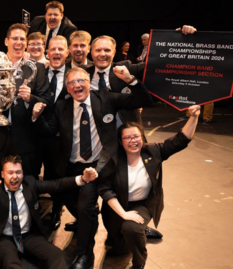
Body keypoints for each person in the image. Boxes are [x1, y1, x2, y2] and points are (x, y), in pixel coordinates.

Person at [32, 67, 152, 269]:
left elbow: (144, 100)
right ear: (67, 88)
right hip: (71, 168)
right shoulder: (62, 106)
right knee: (78, 207)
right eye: (71, 83)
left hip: (98, 165)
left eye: (81, 80)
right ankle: (89, 222)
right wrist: (36, 117)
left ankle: (84, 255)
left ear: (89, 82)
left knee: (86, 204)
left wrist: (130, 80)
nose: (77, 85)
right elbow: (46, 131)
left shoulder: (105, 98)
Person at [98, 105, 201, 269]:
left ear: (142, 137)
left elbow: (180, 140)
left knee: (131, 229)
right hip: (116, 207)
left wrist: (193, 117)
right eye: (127, 138)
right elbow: (105, 190)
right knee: (118, 249)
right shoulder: (113, 160)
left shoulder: (153, 151)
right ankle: (140, 231)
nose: (133, 141)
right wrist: (123, 213)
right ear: (120, 141)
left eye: (136, 136)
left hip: (141, 204)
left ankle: (138, 264)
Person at [0, 155, 98, 269]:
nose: (15, 176)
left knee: (57, 255)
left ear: (22, 173)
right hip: (5, 238)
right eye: (10, 173)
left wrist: (82, 179)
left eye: (18, 172)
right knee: (11, 264)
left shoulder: (30, 183)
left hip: (28, 236)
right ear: (3, 174)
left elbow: (57, 185)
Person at [0, 23, 49, 179]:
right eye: (15, 38)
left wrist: (30, 99)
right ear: (6, 41)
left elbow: (46, 99)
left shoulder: (36, 68)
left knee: (27, 187)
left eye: (22, 39)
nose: (19, 42)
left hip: (26, 141)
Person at [37, 35, 70, 230]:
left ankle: (56, 210)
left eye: (60, 49)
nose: (56, 53)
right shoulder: (38, 71)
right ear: (46, 52)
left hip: (59, 138)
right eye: (53, 49)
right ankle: (32, 209)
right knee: (32, 172)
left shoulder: (75, 75)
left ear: (67, 52)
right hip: (37, 135)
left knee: (56, 175)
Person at [82, 35, 145, 125]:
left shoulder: (126, 69)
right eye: (98, 50)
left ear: (114, 52)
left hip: (124, 132)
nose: (102, 54)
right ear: (91, 52)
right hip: (93, 131)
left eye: (107, 50)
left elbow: (152, 66)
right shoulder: (83, 73)